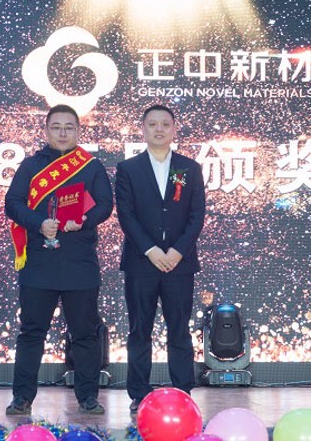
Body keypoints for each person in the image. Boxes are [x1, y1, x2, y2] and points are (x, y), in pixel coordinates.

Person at [4, 104, 113, 415]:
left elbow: (106, 204)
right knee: (31, 333)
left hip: (79, 260)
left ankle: (88, 397)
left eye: (69, 127)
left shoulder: (91, 166)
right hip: (39, 261)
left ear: (78, 131)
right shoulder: (30, 166)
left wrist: (86, 219)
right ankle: (22, 398)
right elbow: (13, 204)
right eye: (56, 127)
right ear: (46, 131)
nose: (63, 133)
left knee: (85, 334)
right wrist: (39, 223)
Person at [115, 104, 206, 415]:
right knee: (139, 330)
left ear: (174, 129)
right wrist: (151, 250)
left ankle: (183, 390)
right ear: (143, 129)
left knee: (179, 329)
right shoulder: (128, 169)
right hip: (141, 263)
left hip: (180, 263)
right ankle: (139, 393)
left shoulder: (189, 168)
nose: (159, 129)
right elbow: (126, 215)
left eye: (165, 124)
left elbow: (196, 215)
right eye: (152, 124)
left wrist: (177, 251)